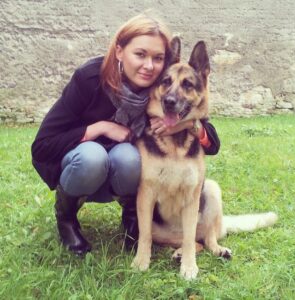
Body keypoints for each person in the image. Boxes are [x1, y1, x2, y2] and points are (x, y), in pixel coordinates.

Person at [31, 13, 220, 256]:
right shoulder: (89, 78)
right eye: (140, 54)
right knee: (93, 156)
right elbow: (42, 146)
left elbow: (212, 141)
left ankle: (132, 219)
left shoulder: (159, 86)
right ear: (119, 51)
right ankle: (66, 218)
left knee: (131, 158)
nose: (149, 65)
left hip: (117, 163)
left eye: (158, 58)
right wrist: (101, 128)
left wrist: (185, 125)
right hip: (79, 164)